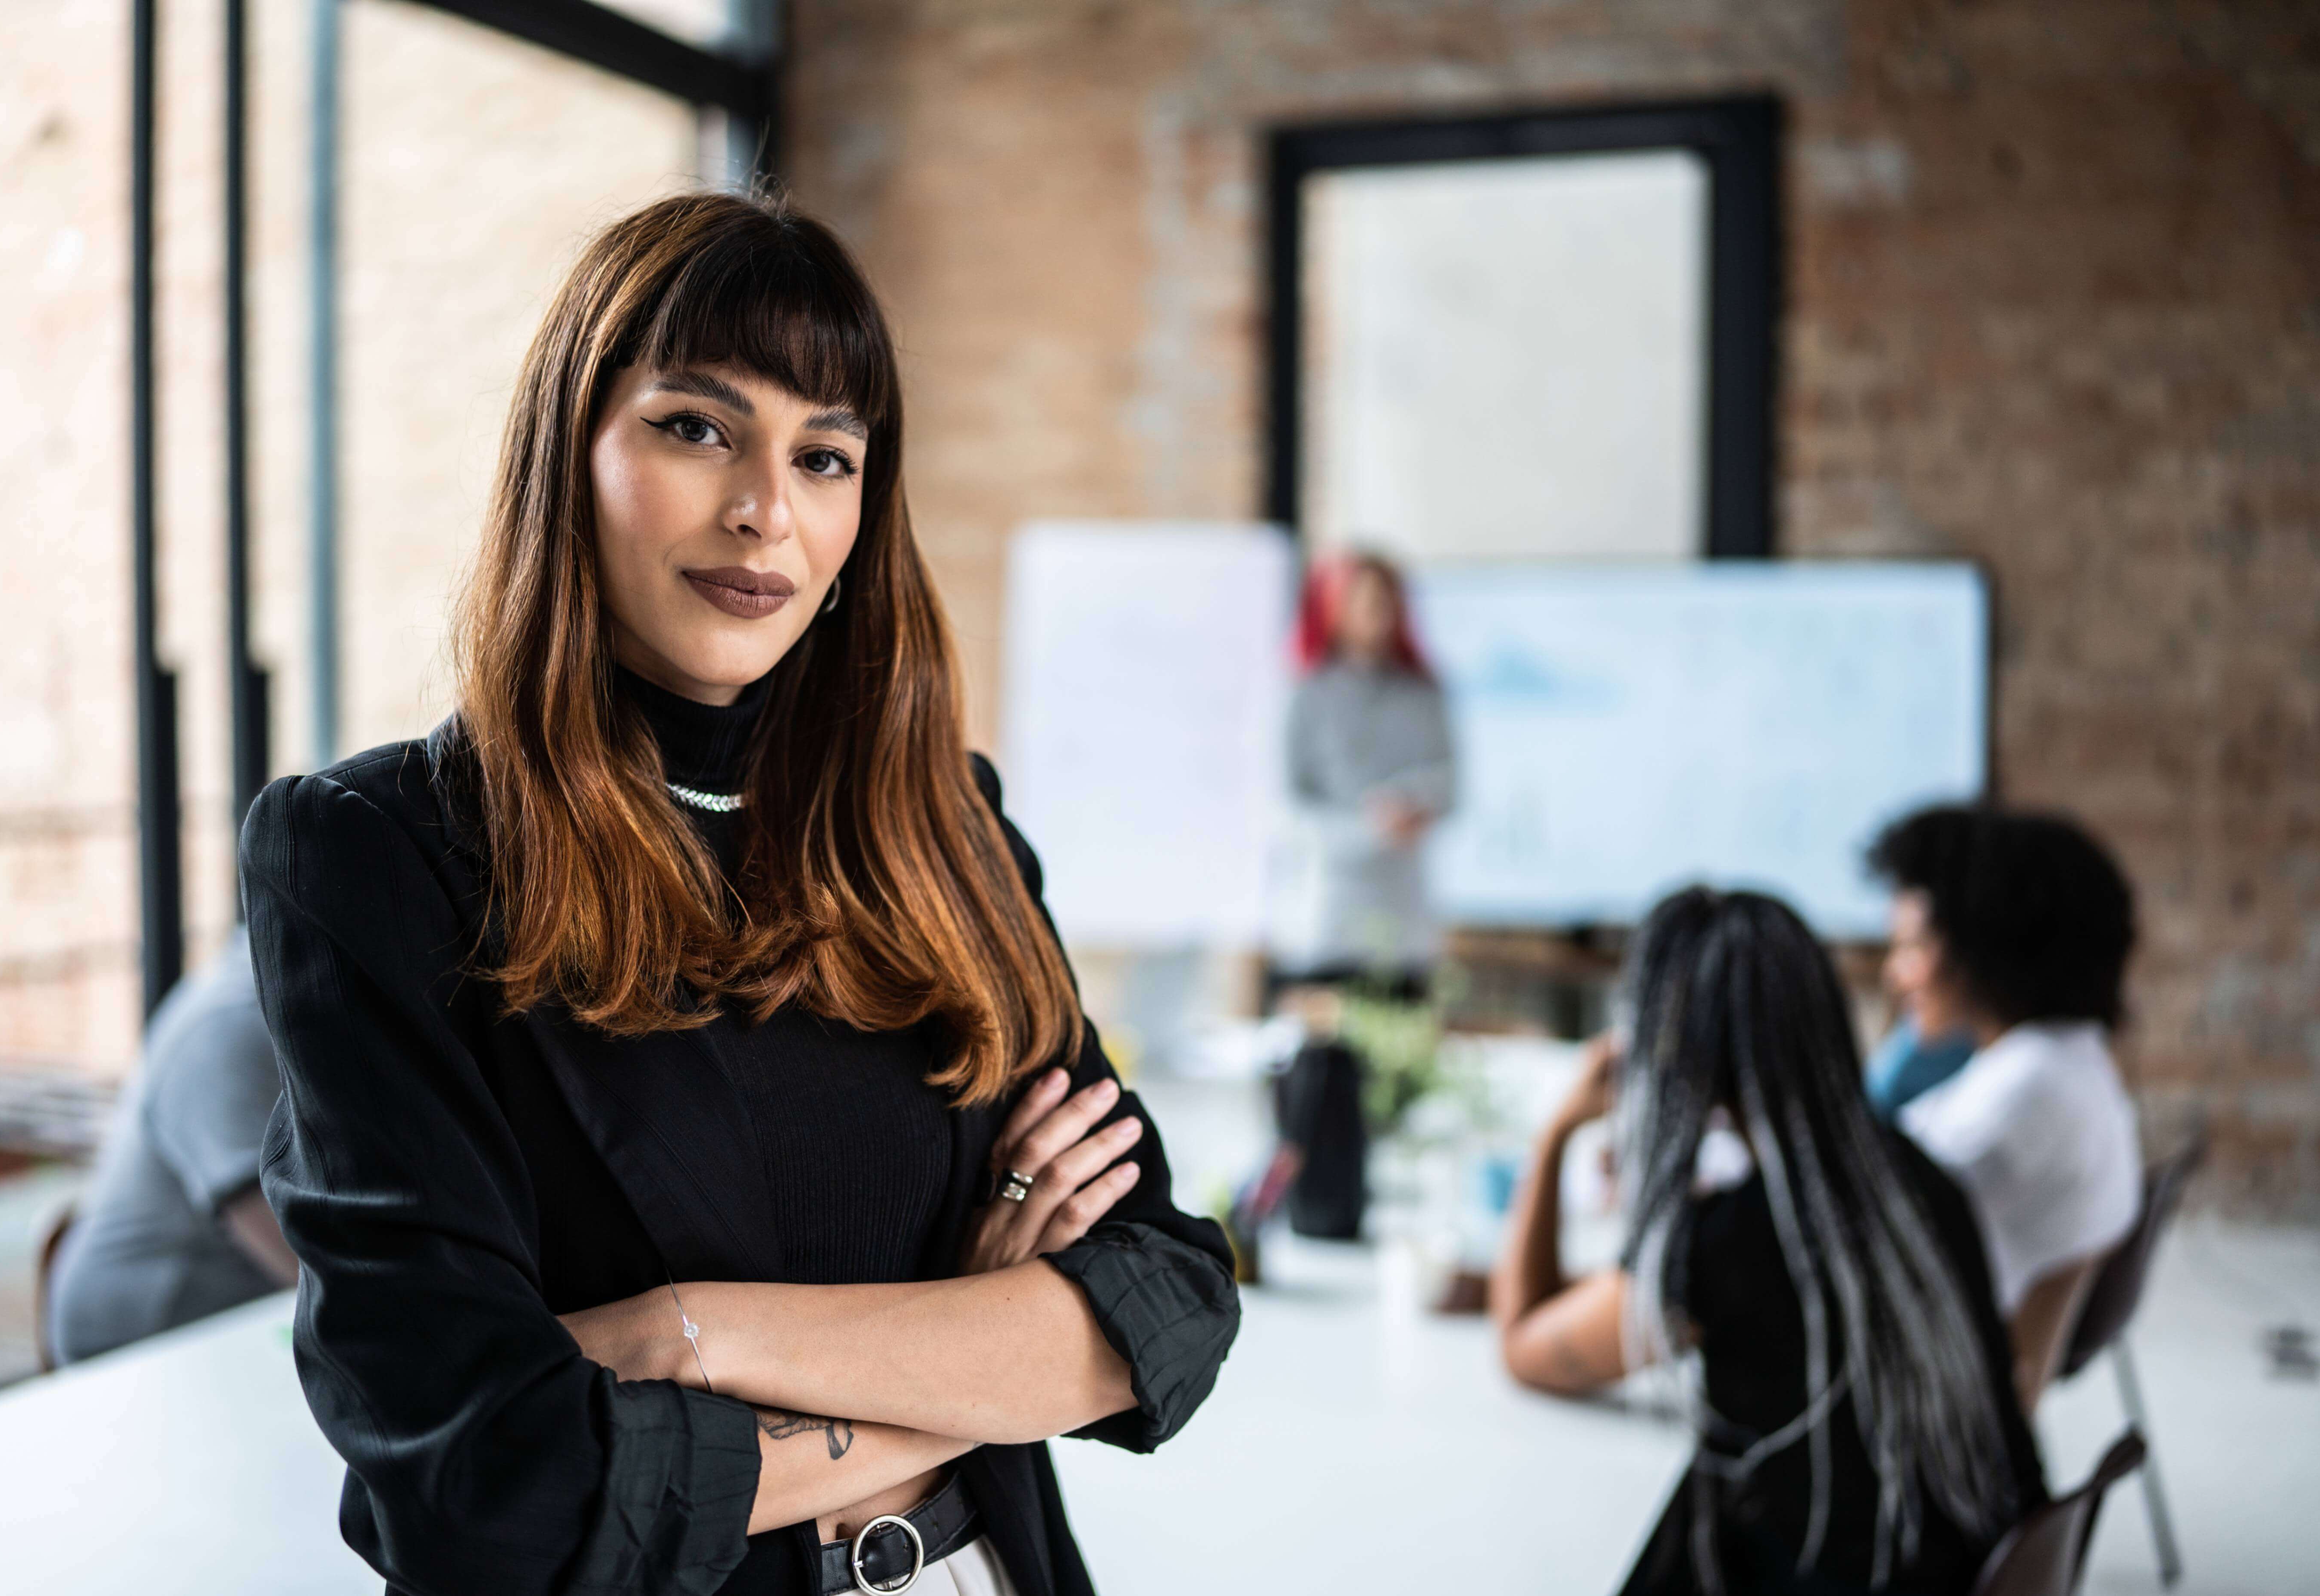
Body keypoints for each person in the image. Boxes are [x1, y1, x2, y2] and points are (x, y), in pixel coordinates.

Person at [242, 192, 1238, 1596]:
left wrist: (690, 1333)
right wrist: (974, 1353)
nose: (766, 508)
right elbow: (487, 1490)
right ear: (567, 453)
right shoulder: (383, 854)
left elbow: (1173, 1305)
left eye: (824, 456)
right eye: (697, 427)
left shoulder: (943, 827)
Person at [1491, 889, 2044, 1596]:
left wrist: (1556, 1129)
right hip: (1968, 1560)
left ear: (1675, 1052)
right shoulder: (1918, 1178)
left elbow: (1525, 1350)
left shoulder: (1730, 1244)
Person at [1868, 804, 2142, 1411]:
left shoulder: (2020, 1103)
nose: (1893, 975)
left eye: (1910, 947)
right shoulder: (2060, 1060)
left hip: (1921, 1416)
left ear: (1982, 949)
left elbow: (1852, 1238)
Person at [46, 928, 296, 1363]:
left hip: (220, 1321)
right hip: (138, 1334)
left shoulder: (276, 1006)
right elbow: (278, 1233)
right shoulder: (229, 1025)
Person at [1268, 550, 1455, 1001]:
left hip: (1403, 919)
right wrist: (1370, 825)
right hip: (1328, 914)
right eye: (1364, 600)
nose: (1378, 614)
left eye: (1386, 601)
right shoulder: (1307, 692)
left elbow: (1450, 782)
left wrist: (1414, 804)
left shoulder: (1422, 693)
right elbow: (1291, 804)